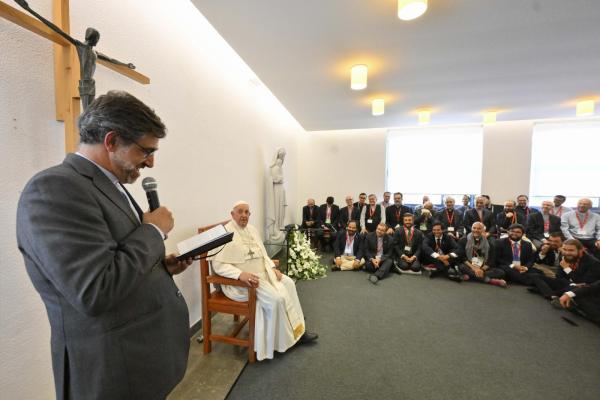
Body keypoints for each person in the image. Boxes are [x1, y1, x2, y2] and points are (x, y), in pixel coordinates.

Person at [16, 91, 193, 399]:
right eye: (145, 151)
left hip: (141, 359)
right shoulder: (54, 189)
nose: (150, 162)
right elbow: (94, 289)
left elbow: (115, 257)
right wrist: (153, 231)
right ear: (111, 142)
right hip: (113, 370)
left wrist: (160, 267)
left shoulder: (107, 184)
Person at [212, 201, 318, 361]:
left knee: (289, 283)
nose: (244, 215)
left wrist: (271, 267)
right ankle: (279, 343)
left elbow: (263, 255)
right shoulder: (226, 234)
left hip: (263, 274)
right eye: (240, 212)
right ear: (232, 214)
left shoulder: (252, 230)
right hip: (244, 283)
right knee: (277, 299)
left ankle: (298, 330)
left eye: (247, 212)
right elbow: (218, 265)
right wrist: (240, 274)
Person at [530, 239, 600, 300]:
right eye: (565, 249)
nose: (567, 252)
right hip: (566, 283)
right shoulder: (565, 256)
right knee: (535, 276)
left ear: (580, 250)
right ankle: (552, 295)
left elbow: (585, 283)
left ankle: (548, 292)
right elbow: (559, 276)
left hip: (580, 288)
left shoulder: (593, 262)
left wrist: (567, 268)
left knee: (574, 288)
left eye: (571, 250)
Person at [456, 222, 507, 287]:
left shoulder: (489, 244)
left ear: (483, 231)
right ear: (471, 229)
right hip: (469, 265)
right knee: (461, 267)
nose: (476, 230)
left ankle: (470, 276)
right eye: (474, 228)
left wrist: (481, 270)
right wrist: (475, 269)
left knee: (501, 272)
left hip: (482, 266)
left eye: (479, 228)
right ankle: (490, 281)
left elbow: (491, 261)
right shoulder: (463, 240)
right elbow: (462, 258)